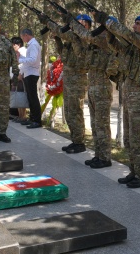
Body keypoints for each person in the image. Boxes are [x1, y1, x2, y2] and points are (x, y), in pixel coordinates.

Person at [94, 12, 140, 188]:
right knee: (130, 139)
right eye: (134, 23)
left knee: (138, 139)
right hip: (130, 97)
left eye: (138, 24)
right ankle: (134, 171)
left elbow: (127, 34)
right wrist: (108, 30)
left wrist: (108, 20)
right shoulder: (133, 47)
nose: (134, 26)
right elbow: (115, 45)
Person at [68, 14, 117, 169]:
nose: (100, 30)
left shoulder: (107, 40)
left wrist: (73, 24)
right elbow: (82, 55)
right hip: (93, 87)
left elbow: (89, 37)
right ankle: (98, 155)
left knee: (102, 125)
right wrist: (75, 38)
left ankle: (105, 157)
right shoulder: (96, 42)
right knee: (95, 125)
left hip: (102, 87)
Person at [41, 14, 91, 154]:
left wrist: (53, 26)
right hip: (69, 79)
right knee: (69, 112)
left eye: (80, 23)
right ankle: (75, 140)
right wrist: (57, 39)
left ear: (87, 25)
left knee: (76, 111)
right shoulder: (71, 40)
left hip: (78, 80)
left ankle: (80, 142)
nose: (76, 25)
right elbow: (64, 55)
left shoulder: (84, 38)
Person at [17, 28, 42, 129]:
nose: (23, 39)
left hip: (32, 73)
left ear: (26, 35)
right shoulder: (31, 45)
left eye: (22, 36)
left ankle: (37, 120)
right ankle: (32, 118)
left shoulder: (34, 45)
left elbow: (32, 60)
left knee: (33, 98)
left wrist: (20, 59)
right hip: (28, 73)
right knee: (30, 98)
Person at [11, 36, 28, 122]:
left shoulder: (23, 51)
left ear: (18, 44)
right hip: (16, 75)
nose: (12, 46)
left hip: (22, 76)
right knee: (17, 94)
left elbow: (25, 63)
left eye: (13, 44)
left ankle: (23, 116)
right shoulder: (15, 52)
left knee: (22, 94)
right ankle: (19, 115)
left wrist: (21, 74)